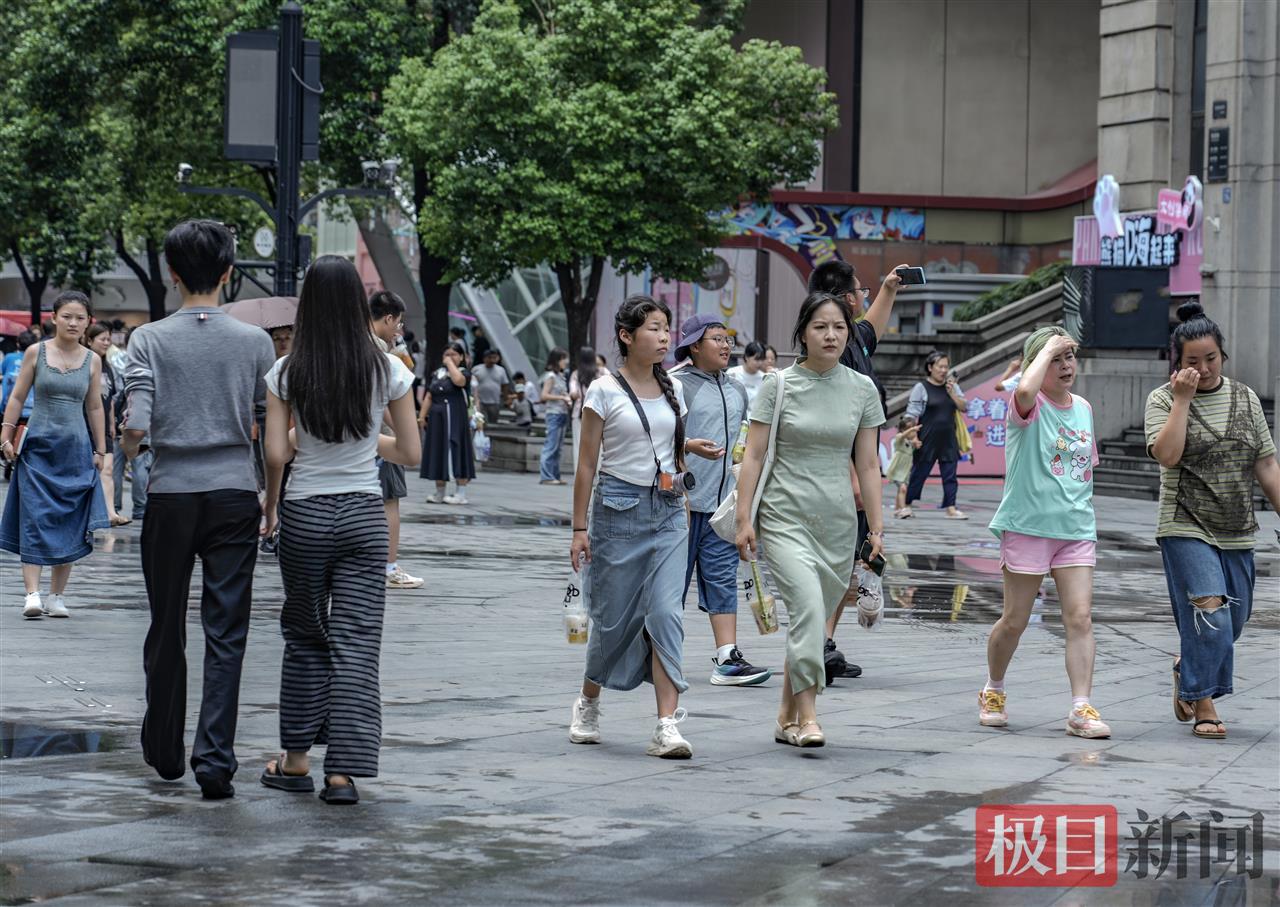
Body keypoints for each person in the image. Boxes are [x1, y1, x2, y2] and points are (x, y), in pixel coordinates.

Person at [121, 220, 276, 800]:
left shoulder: (148, 339)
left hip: (170, 494)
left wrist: (129, 450)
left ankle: (165, 748)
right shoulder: (255, 342)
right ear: (228, 273)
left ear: (172, 274)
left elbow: (137, 423)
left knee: (166, 622)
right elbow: (269, 426)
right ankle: (214, 760)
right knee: (226, 629)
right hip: (234, 491)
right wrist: (271, 495)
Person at [259, 256, 420, 805]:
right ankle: (343, 774)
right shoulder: (387, 368)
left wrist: (272, 505)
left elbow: (276, 454)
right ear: (357, 302)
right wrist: (367, 440)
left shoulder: (287, 370)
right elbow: (411, 453)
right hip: (363, 516)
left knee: (305, 634)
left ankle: (296, 761)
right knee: (357, 641)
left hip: (305, 513)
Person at [734, 292, 885, 748]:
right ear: (802, 332)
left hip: (837, 522)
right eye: (820, 326)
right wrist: (744, 518)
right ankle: (810, 717)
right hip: (784, 515)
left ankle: (785, 716)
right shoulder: (777, 385)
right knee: (807, 610)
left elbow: (868, 465)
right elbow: (753, 455)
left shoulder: (862, 389)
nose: (831, 335)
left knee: (811, 620)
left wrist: (876, 529)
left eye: (839, 327)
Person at [569, 295, 717, 758]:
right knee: (613, 622)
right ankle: (589, 701)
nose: (664, 337)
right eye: (654, 328)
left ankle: (666, 725)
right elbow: (587, 464)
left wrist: (686, 468)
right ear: (626, 336)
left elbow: (669, 452)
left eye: (666, 328)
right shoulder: (602, 390)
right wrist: (578, 529)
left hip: (669, 511)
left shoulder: (673, 390)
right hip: (617, 512)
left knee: (666, 613)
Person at [1145, 302, 1279, 741]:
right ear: (1177, 362)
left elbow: (1266, 465)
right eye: (1192, 361)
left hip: (1236, 526)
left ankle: (1188, 666)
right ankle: (1203, 702)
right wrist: (1182, 400)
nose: (1202, 369)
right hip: (1184, 523)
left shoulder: (1246, 398)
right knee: (1211, 617)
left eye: (1211, 359)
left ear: (1223, 355)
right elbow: (1167, 456)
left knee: (1232, 623)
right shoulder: (1163, 399)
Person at [981, 327, 1110, 738]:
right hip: (1028, 526)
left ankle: (1081, 707)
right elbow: (1023, 391)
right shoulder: (1027, 404)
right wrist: (1047, 346)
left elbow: (1082, 468)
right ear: (1037, 364)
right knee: (1015, 620)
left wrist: (1081, 514)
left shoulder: (1083, 408)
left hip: (1075, 528)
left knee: (1080, 617)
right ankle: (994, 688)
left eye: (1069, 356)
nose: (1066, 365)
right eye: (1056, 359)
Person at [807, 259, 906, 681]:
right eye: (861, 292)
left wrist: (889, 288)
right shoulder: (833, 352)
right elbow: (834, 419)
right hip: (835, 476)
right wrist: (852, 475)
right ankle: (815, 643)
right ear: (847, 299)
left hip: (856, 472)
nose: (865, 298)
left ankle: (823, 643)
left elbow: (871, 328)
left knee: (845, 561)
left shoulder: (853, 340)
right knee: (830, 562)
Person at [675, 314, 771, 686]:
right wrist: (688, 447)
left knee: (722, 579)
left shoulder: (736, 389)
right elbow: (659, 438)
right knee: (670, 585)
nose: (725, 345)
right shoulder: (675, 385)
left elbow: (746, 444)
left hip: (722, 510)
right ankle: (654, 651)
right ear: (694, 346)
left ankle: (727, 658)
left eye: (727, 338)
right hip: (681, 506)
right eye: (716, 338)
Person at [1, 292, 110, 619]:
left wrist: (101, 449)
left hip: (75, 452)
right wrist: (5, 434)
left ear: (88, 322)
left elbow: (95, 406)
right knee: (33, 518)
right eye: (67, 316)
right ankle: (32, 594)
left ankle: (56, 596)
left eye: (80, 318)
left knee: (70, 522)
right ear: (54, 318)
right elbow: (17, 397)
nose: (73, 323)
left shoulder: (93, 360)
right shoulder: (36, 352)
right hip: (37, 449)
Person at [369, 290, 424, 590]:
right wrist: (406, 433)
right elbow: (386, 406)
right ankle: (389, 566)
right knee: (390, 502)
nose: (399, 330)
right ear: (388, 318)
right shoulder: (383, 359)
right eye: (398, 323)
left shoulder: (351, 347)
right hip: (383, 442)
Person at [903, 350, 968, 519]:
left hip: (948, 439)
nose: (944, 370)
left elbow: (964, 407)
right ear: (930, 367)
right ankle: (907, 505)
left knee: (950, 475)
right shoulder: (921, 388)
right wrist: (912, 436)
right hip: (927, 438)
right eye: (940, 366)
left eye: (946, 367)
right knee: (918, 473)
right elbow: (911, 414)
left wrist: (952, 393)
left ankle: (951, 508)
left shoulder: (952, 387)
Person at [85, 323, 131, 527]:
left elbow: (110, 399)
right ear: (89, 341)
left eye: (108, 339)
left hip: (104, 426)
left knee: (108, 469)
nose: (106, 343)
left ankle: (110, 512)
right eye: (102, 339)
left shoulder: (108, 367)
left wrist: (112, 422)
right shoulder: (84, 363)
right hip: (85, 425)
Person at [418, 341, 475, 504]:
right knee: (438, 450)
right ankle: (439, 492)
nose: (449, 357)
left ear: (461, 357)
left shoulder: (464, 373)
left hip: (455, 418)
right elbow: (429, 395)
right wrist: (422, 417)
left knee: (457, 448)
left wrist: (450, 364)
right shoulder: (438, 373)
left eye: (453, 354)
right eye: (447, 354)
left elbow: (459, 381)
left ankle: (460, 493)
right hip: (438, 420)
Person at [1, 330, 38, 482]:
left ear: (17, 344)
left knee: (8, 434)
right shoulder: (37, 358)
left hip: (9, 407)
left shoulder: (9, 358)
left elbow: (3, 374)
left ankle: (8, 458)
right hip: (32, 409)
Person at [539, 348, 572, 485]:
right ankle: (547, 476)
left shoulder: (561, 376)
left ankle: (555, 475)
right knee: (551, 446)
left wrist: (565, 398)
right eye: (563, 358)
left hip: (562, 413)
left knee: (558, 447)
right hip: (554, 414)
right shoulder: (551, 376)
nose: (566, 361)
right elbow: (544, 396)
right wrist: (562, 398)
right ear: (556, 360)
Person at [568, 347, 601, 472]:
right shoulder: (601, 373)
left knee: (579, 446)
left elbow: (573, 393)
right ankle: (599, 474)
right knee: (599, 446)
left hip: (579, 414)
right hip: (598, 414)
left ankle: (580, 475)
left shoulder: (576, 374)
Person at [888, 415, 921, 518]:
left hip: (905, 472)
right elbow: (902, 436)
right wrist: (912, 429)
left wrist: (916, 443)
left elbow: (915, 443)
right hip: (897, 470)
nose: (912, 432)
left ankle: (897, 509)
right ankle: (903, 509)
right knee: (903, 489)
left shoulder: (910, 442)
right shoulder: (899, 438)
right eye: (909, 429)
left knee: (901, 490)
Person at [472, 348, 511, 426]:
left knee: (493, 423)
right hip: (480, 401)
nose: (492, 360)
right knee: (481, 422)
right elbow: (471, 384)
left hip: (494, 402)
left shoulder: (501, 370)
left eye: (494, 357)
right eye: (489, 357)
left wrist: (506, 398)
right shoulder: (476, 369)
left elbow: (505, 385)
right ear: (484, 358)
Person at [726, 341, 768, 408]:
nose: (760, 363)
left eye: (762, 359)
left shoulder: (764, 377)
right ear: (746, 357)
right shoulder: (733, 373)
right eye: (757, 359)